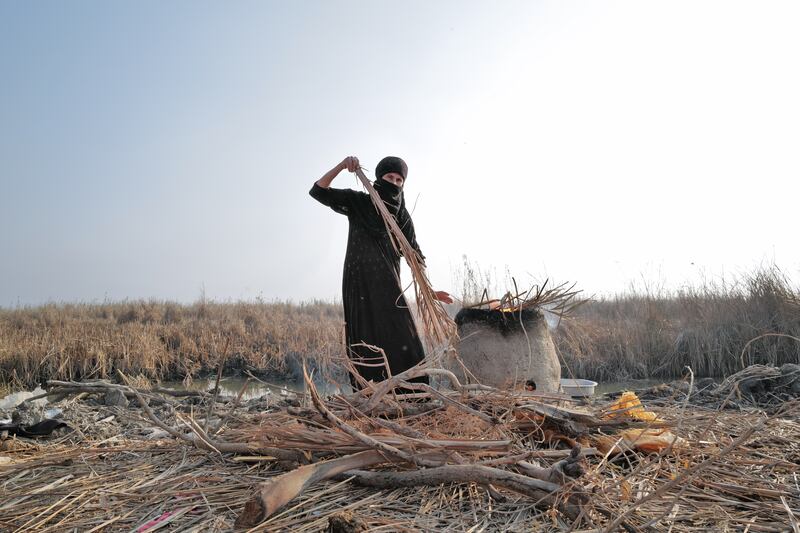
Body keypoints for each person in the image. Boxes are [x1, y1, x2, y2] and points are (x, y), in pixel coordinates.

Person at [309, 155, 452, 388]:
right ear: (379, 178)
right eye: (389, 177)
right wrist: (342, 166)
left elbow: (415, 256)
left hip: (389, 287)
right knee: (365, 341)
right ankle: (370, 397)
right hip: (359, 284)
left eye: (399, 180)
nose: (394, 183)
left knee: (405, 339)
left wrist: (430, 291)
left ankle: (413, 395)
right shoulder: (359, 203)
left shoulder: (401, 217)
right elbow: (318, 191)